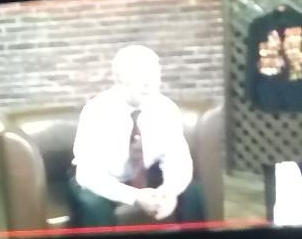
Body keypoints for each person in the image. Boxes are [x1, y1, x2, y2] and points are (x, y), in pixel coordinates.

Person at [67, 44, 206, 226]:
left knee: (193, 192)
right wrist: (135, 196)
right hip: (102, 179)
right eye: (139, 76)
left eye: (154, 74)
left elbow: (177, 160)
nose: (149, 83)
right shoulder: (96, 111)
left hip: (147, 173)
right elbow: (90, 175)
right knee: (91, 203)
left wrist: (169, 192)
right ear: (118, 79)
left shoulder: (166, 108)